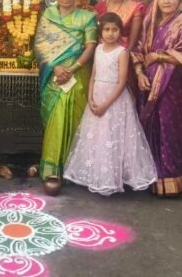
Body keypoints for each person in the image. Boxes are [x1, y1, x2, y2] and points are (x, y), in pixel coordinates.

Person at [64, 12, 157, 196]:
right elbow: (93, 75)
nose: (110, 33)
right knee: (97, 136)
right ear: (101, 32)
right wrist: (91, 98)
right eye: (106, 29)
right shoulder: (98, 49)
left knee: (112, 135)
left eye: (115, 30)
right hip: (97, 95)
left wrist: (106, 104)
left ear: (120, 32)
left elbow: (121, 82)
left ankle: (114, 178)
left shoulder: (121, 52)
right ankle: (96, 175)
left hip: (114, 99)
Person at [132, 0, 182, 197]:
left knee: (169, 129)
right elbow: (138, 49)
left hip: (172, 86)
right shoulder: (149, 22)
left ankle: (174, 181)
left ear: (179, 0)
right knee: (149, 129)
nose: (167, 1)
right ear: (157, 0)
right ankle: (151, 178)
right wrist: (140, 74)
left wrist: (159, 56)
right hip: (147, 83)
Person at [34, 0, 96, 195]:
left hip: (78, 75)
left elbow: (90, 46)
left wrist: (74, 68)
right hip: (54, 74)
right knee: (56, 118)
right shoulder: (48, 16)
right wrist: (57, 66)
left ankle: (73, 168)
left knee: (76, 119)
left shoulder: (87, 17)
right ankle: (52, 168)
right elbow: (41, 46)